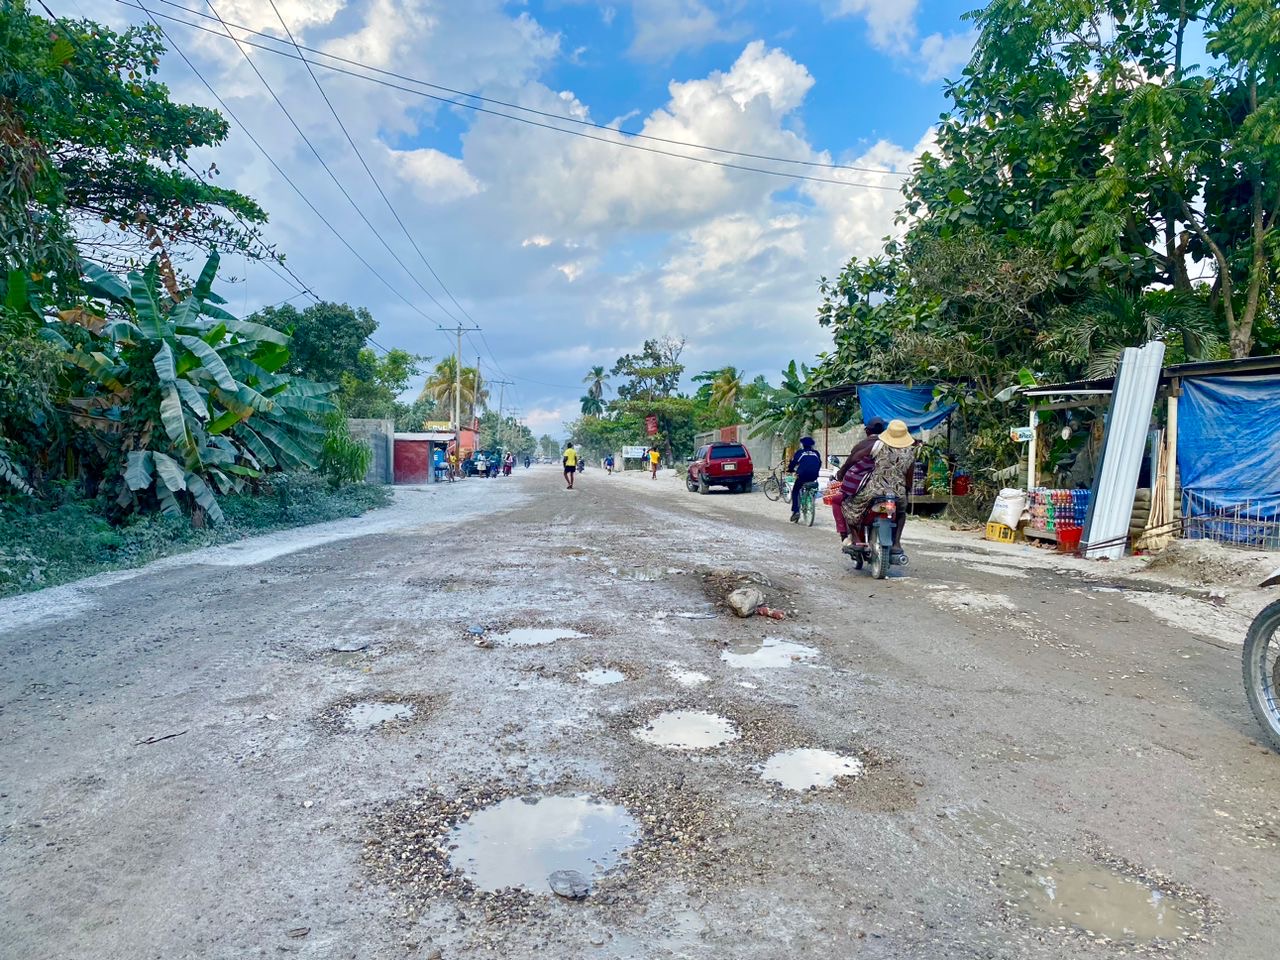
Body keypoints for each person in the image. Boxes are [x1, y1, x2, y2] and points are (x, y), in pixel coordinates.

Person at [840, 419, 917, 555]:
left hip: (873, 492)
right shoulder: (910, 452)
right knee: (901, 514)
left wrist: (846, 472)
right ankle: (897, 543)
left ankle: (857, 539)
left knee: (847, 505)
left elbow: (854, 458)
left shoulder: (878, 446)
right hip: (897, 495)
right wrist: (906, 493)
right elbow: (909, 479)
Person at [833, 419, 886, 546]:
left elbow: (850, 461)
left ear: (867, 431)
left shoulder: (861, 446)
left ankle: (845, 535)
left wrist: (840, 474)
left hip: (864, 491)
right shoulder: (892, 447)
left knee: (838, 501)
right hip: (889, 490)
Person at [786, 436, 824, 522]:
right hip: (814, 476)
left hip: (802, 476)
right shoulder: (816, 453)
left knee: (795, 491)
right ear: (812, 445)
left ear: (803, 445)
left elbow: (793, 463)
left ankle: (795, 511)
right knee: (810, 486)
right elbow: (819, 464)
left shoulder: (800, 453)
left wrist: (790, 469)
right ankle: (809, 498)